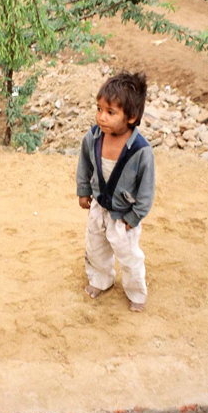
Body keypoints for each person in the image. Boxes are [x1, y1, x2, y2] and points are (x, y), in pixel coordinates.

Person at [76, 71, 154, 312]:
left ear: (131, 117)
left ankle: (136, 293)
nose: (102, 117)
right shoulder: (94, 137)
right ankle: (101, 280)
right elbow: (84, 164)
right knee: (96, 247)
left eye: (111, 112)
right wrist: (83, 190)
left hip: (124, 215)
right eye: (99, 109)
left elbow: (146, 190)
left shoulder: (141, 151)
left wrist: (134, 217)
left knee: (129, 256)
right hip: (99, 207)